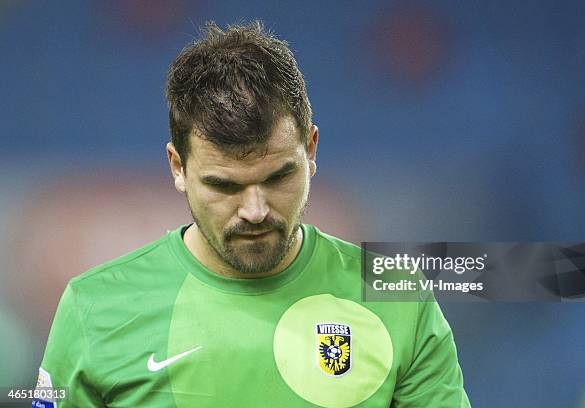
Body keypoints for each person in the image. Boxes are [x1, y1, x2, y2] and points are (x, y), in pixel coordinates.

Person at [33, 21, 470, 407]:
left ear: (311, 150)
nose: (256, 211)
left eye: (279, 176)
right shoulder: (93, 308)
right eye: (225, 185)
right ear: (178, 168)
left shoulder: (398, 298)